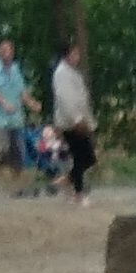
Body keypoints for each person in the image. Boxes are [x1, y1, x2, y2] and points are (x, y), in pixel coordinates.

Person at [48, 38, 96, 199]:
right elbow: (66, 99)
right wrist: (76, 120)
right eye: (75, 53)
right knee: (81, 156)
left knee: (86, 157)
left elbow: (81, 98)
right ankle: (78, 191)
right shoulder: (61, 74)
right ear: (67, 55)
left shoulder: (72, 72)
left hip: (79, 120)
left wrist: (87, 120)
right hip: (70, 122)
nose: (77, 56)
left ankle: (67, 181)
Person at [0, 36, 32, 179]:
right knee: (1, 150)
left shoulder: (16, 69)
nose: (8, 54)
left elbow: (22, 91)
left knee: (19, 152)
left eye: (10, 50)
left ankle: (16, 181)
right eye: (4, 51)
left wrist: (31, 103)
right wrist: (4, 104)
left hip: (16, 117)